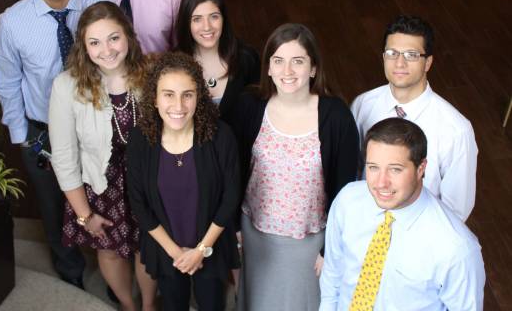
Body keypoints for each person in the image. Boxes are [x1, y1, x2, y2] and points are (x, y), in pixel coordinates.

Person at [0, 0, 103, 288]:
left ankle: (112, 268)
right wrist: (22, 136)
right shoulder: (12, 22)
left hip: (97, 124)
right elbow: (7, 82)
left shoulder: (99, 9)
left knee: (104, 196)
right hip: (43, 133)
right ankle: (70, 273)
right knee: (54, 207)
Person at [234, 23, 360, 311]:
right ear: (267, 68)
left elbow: (346, 190)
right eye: (278, 61)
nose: (287, 71)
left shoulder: (335, 116)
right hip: (255, 234)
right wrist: (232, 227)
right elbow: (234, 171)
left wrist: (330, 249)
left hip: (310, 241)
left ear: (313, 68)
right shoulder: (250, 106)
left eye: (298, 61)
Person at [48, 2, 157, 310]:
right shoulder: (66, 86)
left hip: (147, 181)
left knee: (148, 247)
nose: (106, 50)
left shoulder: (151, 73)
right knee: (109, 251)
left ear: (128, 37)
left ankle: (149, 305)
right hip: (100, 186)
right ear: (83, 46)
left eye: (114, 38)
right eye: (94, 42)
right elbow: (65, 157)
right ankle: (128, 304)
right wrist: (84, 215)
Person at [319, 117, 485, 310]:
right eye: (373, 167)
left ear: (421, 168)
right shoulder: (348, 201)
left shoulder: (456, 249)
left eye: (395, 170)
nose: (381, 183)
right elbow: (333, 274)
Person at [126, 52, 240, 311]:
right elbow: (138, 203)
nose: (178, 106)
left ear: (198, 97)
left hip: (210, 245)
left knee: (212, 304)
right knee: (173, 304)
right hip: (165, 248)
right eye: (168, 94)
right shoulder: (140, 140)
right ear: (154, 98)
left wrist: (200, 250)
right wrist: (177, 254)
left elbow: (230, 197)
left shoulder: (221, 137)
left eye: (187, 94)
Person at [350, 15, 478, 221]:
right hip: (366, 221)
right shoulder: (362, 105)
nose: (399, 63)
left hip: (421, 233)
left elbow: (457, 209)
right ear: (383, 58)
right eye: (392, 53)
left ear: (428, 63)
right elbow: (355, 171)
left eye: (411, 54)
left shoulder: (456, 129)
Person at [175, 0, 260, 125]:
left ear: (223, 19)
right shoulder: (174, 63)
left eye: (214, 17)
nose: (207, 26)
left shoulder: (247, 59)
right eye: (197, 19)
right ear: (186, 23)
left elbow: (259, 110)